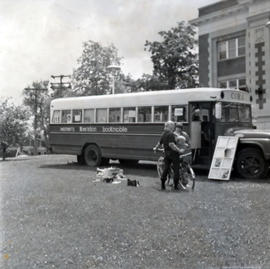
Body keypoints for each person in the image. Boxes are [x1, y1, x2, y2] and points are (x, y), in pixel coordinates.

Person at [153, 121, 185, 191]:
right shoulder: (171, 134)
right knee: (176, 169)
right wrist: (179, 150)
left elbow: (159, 142)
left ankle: (162, 185)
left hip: (167, 154)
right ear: (169, 126)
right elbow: (171, 144)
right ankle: (176, 186)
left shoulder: (163, 134)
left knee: (166, 169)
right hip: (174, 154)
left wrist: (156, 148)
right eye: (173, 126)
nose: (174, 127)